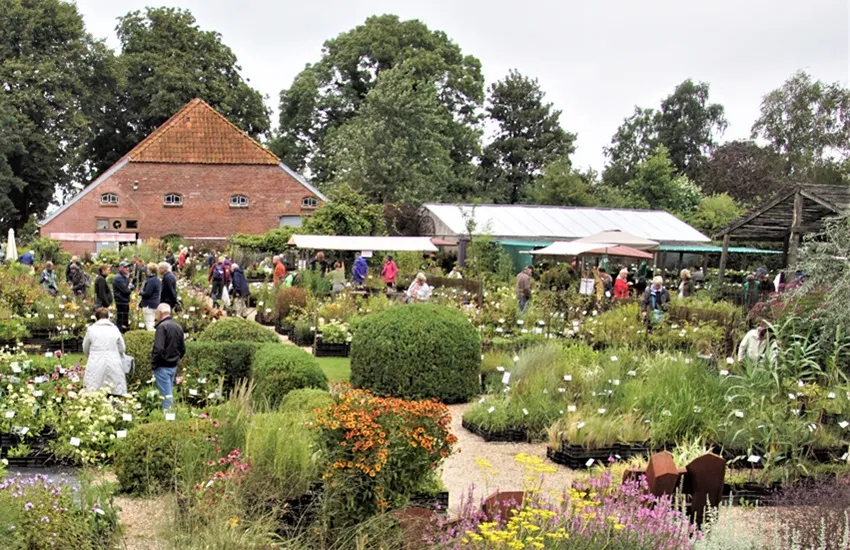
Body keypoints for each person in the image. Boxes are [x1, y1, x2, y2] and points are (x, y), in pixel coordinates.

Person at [82, 308, 128, 395]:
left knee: (95, 388)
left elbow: (85, 348)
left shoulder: (91, 330)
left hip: (96, 361)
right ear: (108, 317)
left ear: (96, 318)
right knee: (114, 388)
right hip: (113, 360)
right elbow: (122, 348)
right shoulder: (114, 329)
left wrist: (91, 356)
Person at [151, 303, 185, 410]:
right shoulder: (178, 327)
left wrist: (154, 363)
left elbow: (159, 348)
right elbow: (182, 349)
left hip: (162, 366)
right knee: (169, 393)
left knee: (166, 398)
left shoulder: (162, 327)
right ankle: (170, 419)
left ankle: (168, 421)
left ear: (160, 313)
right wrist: (175, 359)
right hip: (173, 366)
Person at [139, 263, 161, 331]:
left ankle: (152, 339)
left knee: (149, 324)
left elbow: (147, 293)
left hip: (149, 305)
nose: (146, 271)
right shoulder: (158, 280)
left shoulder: (151, 281)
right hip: (155, 303)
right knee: (152, 323)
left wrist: (140, 292)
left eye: (148, 269)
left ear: (150, 270)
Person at [113, 261, 133, 332]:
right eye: (125, 267)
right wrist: (129, 287)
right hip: (121, 301)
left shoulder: (124, 277)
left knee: (125, 320)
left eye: (128, 267)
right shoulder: (118, 278)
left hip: (125, 301)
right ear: (120, 268)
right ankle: (119, 333)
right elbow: (126, 291)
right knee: (121, 320)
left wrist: (129, 287)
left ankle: (124, 332)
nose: (127, 269)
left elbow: (131, 286)